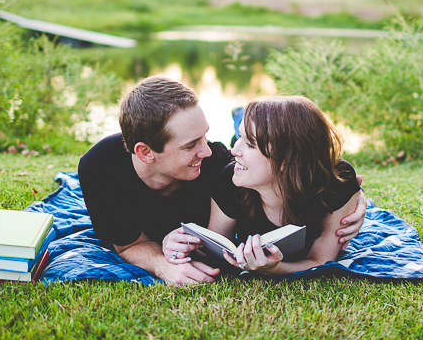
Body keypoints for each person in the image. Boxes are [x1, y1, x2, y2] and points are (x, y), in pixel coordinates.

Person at [78, 77, 367, 286]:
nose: (208, 150)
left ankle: (238, 121)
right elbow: (128, 246)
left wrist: (356, 198)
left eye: (204, 135)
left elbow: (299, 170)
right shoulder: (100, 168)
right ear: (145, 152)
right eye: (191, 145)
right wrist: (163, 264)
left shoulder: (220, 165)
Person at [161, 95, 362, 275]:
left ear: (286, 159)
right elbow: (216, 249)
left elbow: (321, 261)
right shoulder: (230, 180)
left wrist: (276, 269)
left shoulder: (338, 182)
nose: (234, 150)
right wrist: (180, 246)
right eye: (239, 138)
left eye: (250, 144)